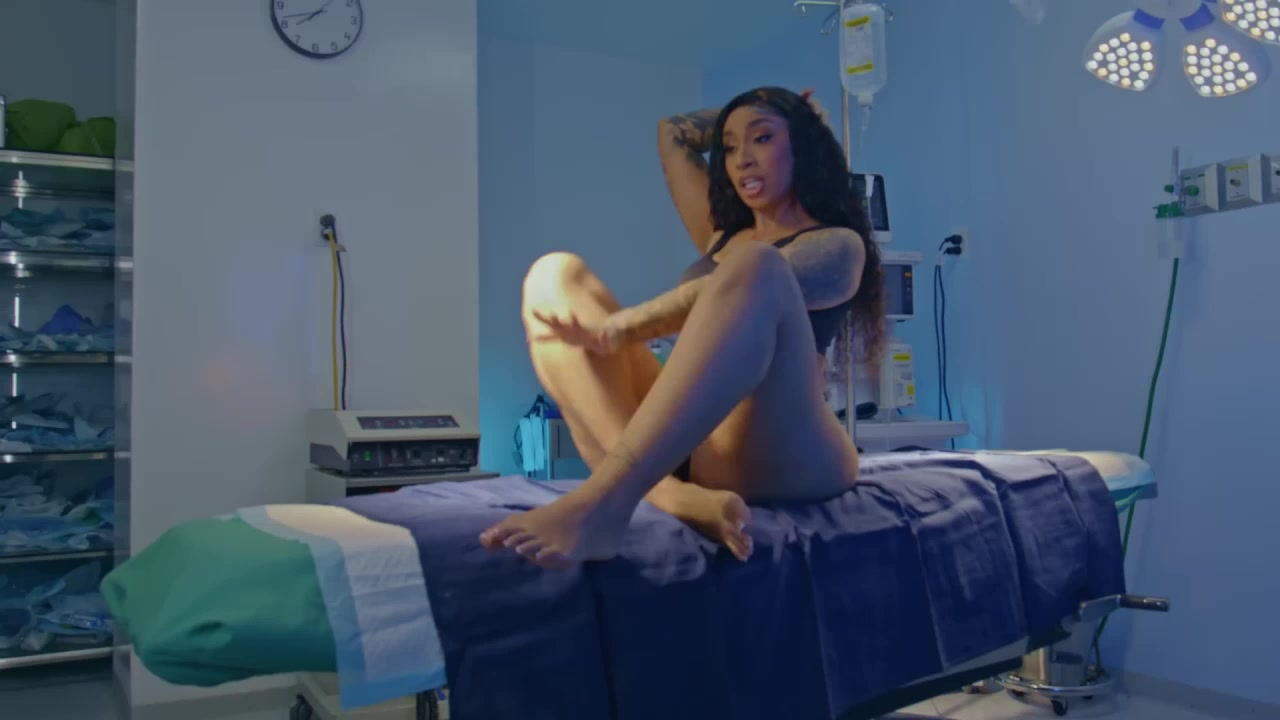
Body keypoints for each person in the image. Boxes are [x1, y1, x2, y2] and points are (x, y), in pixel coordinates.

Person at [480, 86, 886, 569]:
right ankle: (673, 497)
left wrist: (624, 327)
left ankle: (604, 501)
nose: (742, 159)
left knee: (756, 264)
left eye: (762, 139)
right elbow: (672, 133)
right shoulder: (723, 235)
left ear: (804, 145)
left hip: (788, 451)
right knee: (554, 276)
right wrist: (758, 114)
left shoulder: (839, 245)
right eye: (730, 146)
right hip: (695, 450)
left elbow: (727, 288)